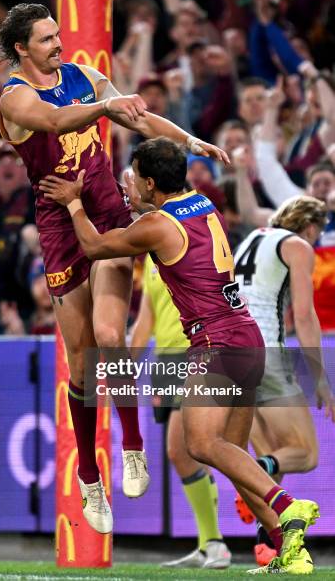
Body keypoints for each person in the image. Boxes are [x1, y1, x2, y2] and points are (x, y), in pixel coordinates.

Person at [39, 136, 324, 574]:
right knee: (232, 452)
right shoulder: (203, 204)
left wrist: (75, 204)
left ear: (153, 183)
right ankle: (291, 549)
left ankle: (288, 506)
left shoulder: (158, 225)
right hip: (248, 337)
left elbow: (95, 248)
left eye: (133, 179)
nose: (128, 186)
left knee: (202, 443)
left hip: (215, 343)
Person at [0, 2, 228, 534]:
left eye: (57, 35)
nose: (58, 45)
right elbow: (56, 120)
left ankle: (132, 446)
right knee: (81, 363)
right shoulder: (14, 98)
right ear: (20, 49)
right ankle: (87, 474)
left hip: (105, 207)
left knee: (110, 334)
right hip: (58, 219)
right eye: (46, 39)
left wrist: (190, 142)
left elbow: (138, 117)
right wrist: (105, 108)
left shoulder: (81, 75)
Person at [234, 196, 335, 567]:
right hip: (265, 354)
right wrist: (321, 379)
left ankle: (270, 542)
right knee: (304, 453)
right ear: (310, 227)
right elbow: (305, 316)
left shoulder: (249, 239)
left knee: (275, 457)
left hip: (230, 352)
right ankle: (254, 474)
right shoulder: (297, 245)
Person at [131, 253, 231, 570]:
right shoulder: (149, 257)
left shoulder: (187, 241)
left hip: (196, 351)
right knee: (182, 453)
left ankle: (215, 542)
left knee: (185, 447)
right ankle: (208, 544)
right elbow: (146, 316)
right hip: (166, 360)